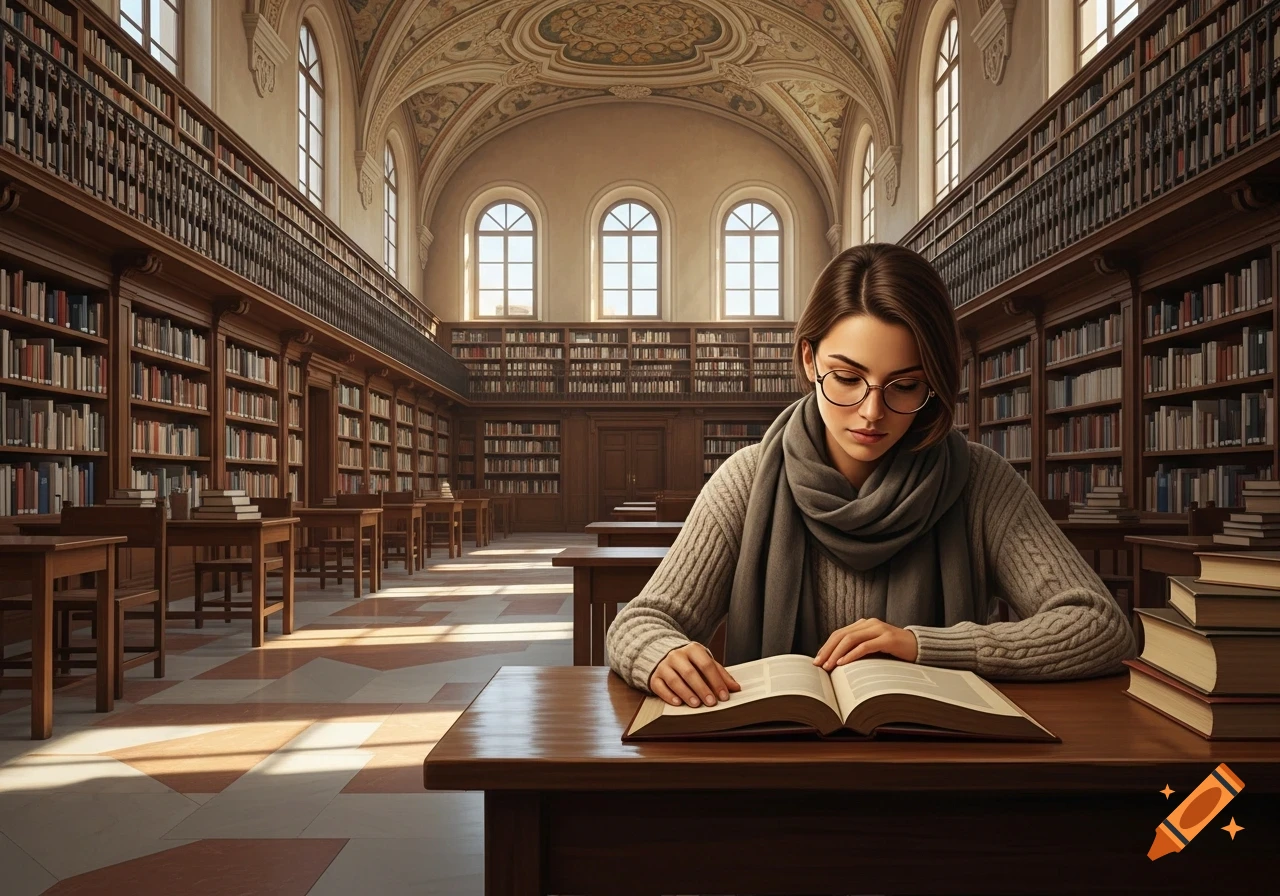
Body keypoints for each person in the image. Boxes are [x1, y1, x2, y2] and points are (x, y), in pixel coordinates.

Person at [606, 243, 1138, 709]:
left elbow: (1102, 626)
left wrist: (927, 646)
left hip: (934, 764)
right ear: (810, 360)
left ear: (933, 382)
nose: (871, 412)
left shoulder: (978, 480)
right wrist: (661, 653)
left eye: (904, 385)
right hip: (775, 760)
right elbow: (639, 623)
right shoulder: (746, 479)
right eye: (847, 377)